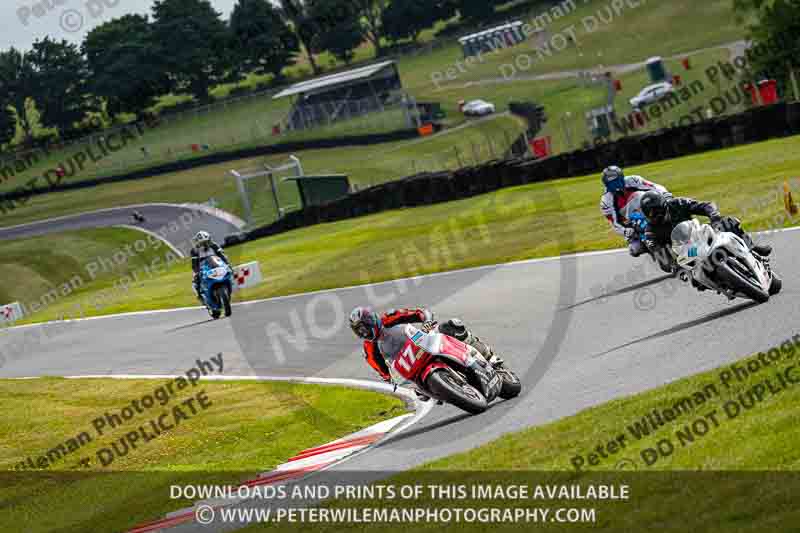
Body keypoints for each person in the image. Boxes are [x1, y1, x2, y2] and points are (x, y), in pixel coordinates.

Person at [348, 307, 501, 399]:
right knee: (419, 393)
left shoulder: (389, 317)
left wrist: (426, 321)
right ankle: (442, 389)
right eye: (359, 331)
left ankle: (488, 356)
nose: (364, 332)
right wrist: (393, 381)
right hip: (411, 366)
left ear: (371, 319)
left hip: (424, 341)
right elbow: (383, 372)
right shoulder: (369, 349)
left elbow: (420, 313)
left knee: (451, 326)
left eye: (364, 327)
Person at [640, 191, 772, 289]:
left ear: (664, 205)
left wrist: (714, 217)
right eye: (651, 214)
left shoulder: (677, 203)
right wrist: (673, 266)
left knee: (730, 222)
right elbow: (658, 254)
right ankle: (722, 284)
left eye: (657, 211)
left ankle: (752, 248)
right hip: (687, 253)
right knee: (696, 283)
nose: (656, 216)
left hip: (701, 235)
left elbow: (706, 205)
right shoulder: (650, 232)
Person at [599, 166, 670, 259]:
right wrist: (625, 230)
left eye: (617, 181)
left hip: (646, 209)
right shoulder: (606, 201)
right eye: (611, 184)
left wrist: (666, 195)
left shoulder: (634, 180)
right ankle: (648, 245)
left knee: (642, 196)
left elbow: (654, 187)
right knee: (635, 249)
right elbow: (614, 222)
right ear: (607, 185)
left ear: (622, 178)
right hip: (629, 222)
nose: (615, 186)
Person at [190, 231, 231, 302]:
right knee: (195, 280)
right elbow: (194, 264)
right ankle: (200, 295)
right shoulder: (194, 250)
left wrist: (227, 263)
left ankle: (229, 285)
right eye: (202, 243)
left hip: (215, 264)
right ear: (198, 242)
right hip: (202, 266)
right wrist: (197, 272)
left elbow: (222, 255)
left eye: (206, 242)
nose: (205, 244)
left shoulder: (214, 245)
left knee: (229, 270)